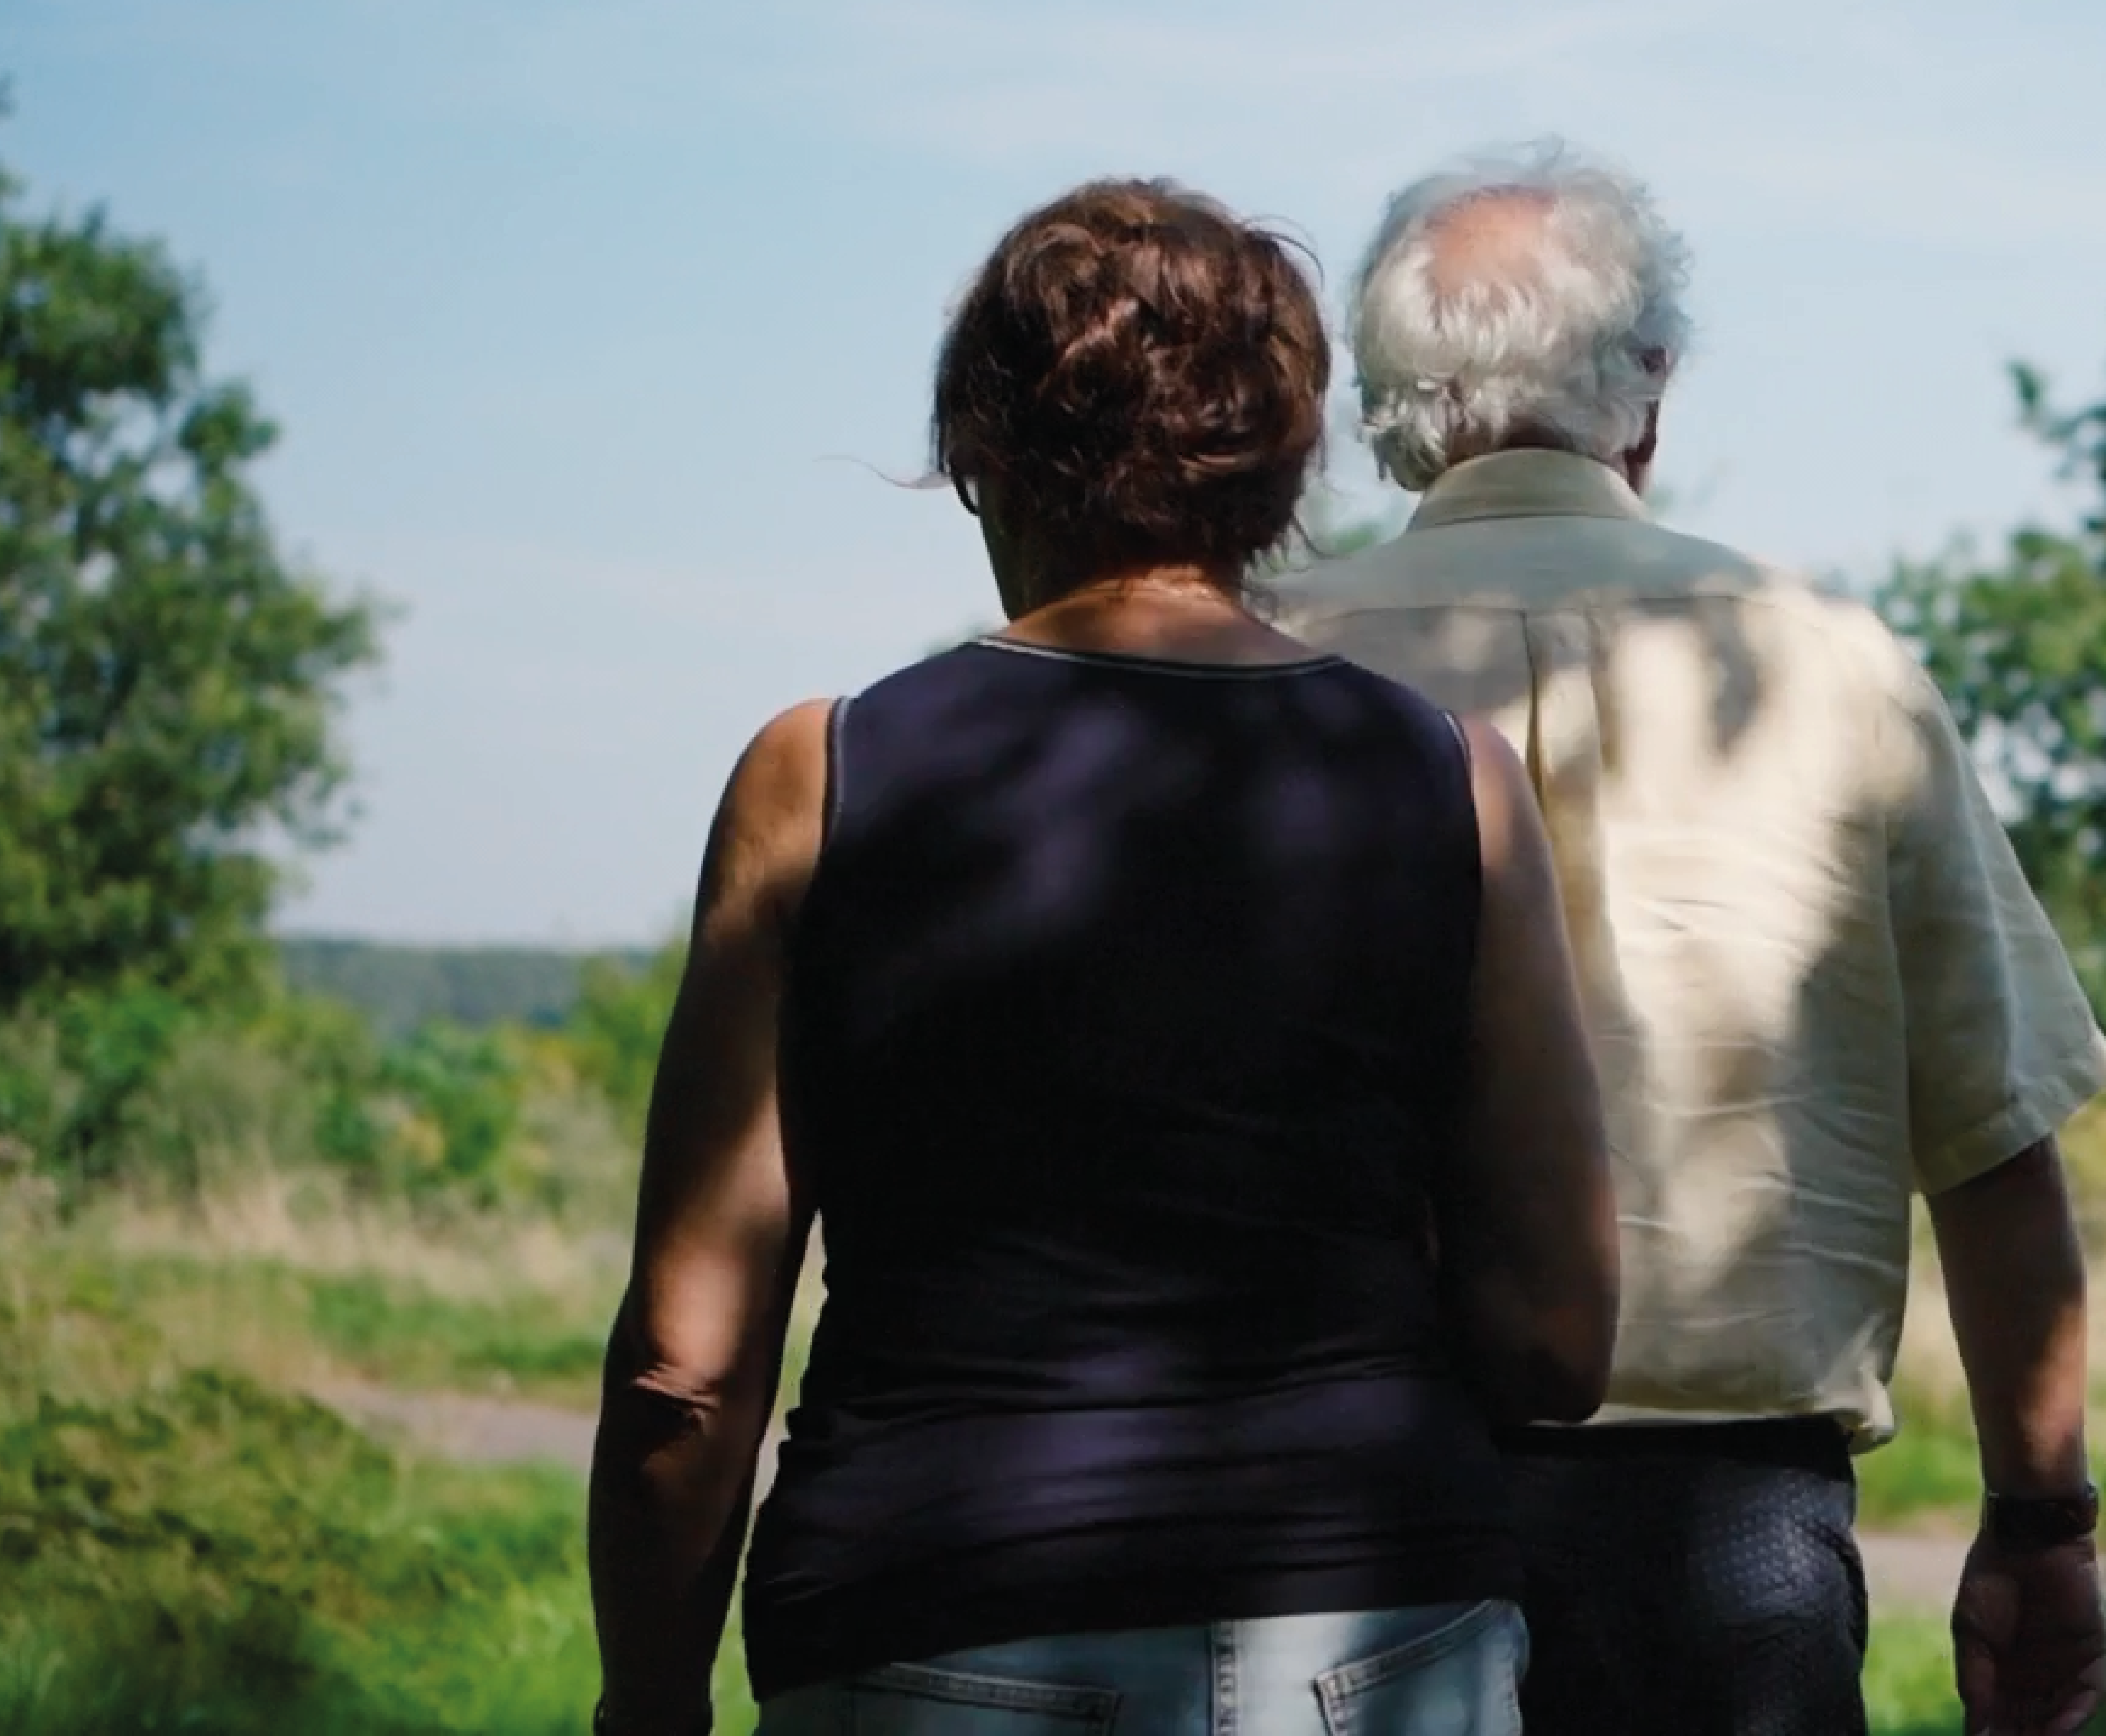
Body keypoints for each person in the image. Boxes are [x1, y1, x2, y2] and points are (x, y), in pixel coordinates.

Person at [585, 178, 1620, 1736]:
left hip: (930, 1621)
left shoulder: (823, 776)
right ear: (1275, 471)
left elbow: (685, 1362)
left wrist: (649, 1702)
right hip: (1383, 1630)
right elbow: (1556, 1340)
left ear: (984, 455)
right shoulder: (1450, 782)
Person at [1267, 143, 2106, 1736]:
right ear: (1650, 388)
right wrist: (2040, 1520)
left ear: (1385, 410)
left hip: (1339, 1498)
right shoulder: (1828, 668)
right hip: (1727, 1539)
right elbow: (1996, 1144)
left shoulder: (1265, 672)